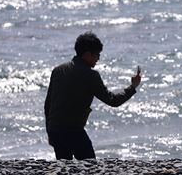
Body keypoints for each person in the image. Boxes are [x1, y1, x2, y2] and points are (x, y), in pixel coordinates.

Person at [44, 32, 141, 160]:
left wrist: (49, 131)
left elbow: (48, 104)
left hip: (55, 130)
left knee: (64, 171)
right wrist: (132, 87)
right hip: (73, 131)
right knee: (89, 168)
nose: (98, 59)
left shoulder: (58, 70)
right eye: (97, 55)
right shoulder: (90, 75)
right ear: (87, 54)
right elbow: (113, 100)